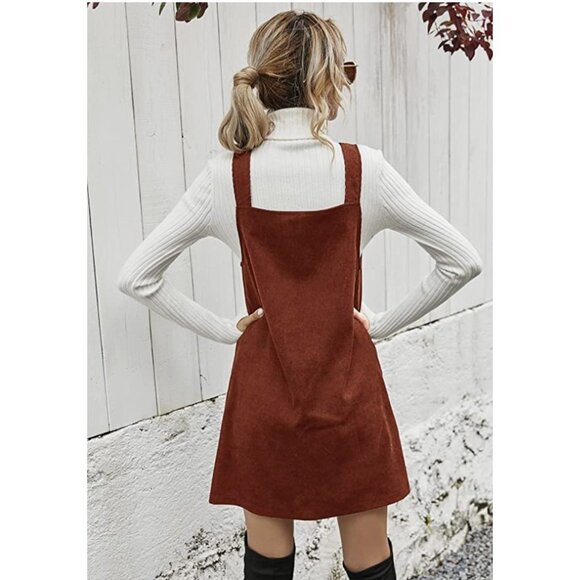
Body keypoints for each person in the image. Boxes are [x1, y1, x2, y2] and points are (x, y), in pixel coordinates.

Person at [117, 9, 483, 580]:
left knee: (267, 566)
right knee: (369, 564)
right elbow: (461, 260)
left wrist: (226, 330)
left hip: (263, 399)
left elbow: (137, 276)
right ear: (327, 80)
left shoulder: (226, 176)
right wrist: (381, 324)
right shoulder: (363, 170)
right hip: (350, 395)